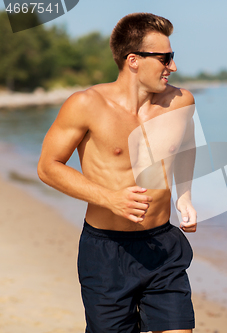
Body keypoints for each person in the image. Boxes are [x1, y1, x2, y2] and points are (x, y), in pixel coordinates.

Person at [38, 13, 197, 333]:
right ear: (134, 60)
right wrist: (109, 198)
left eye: (173, 57)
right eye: (165, 58)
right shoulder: (86, 104)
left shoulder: (181, 102)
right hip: (107, 252)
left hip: (162, 246)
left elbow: (186, 148)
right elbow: (47, 167)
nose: (173, 67)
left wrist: (186, 196)